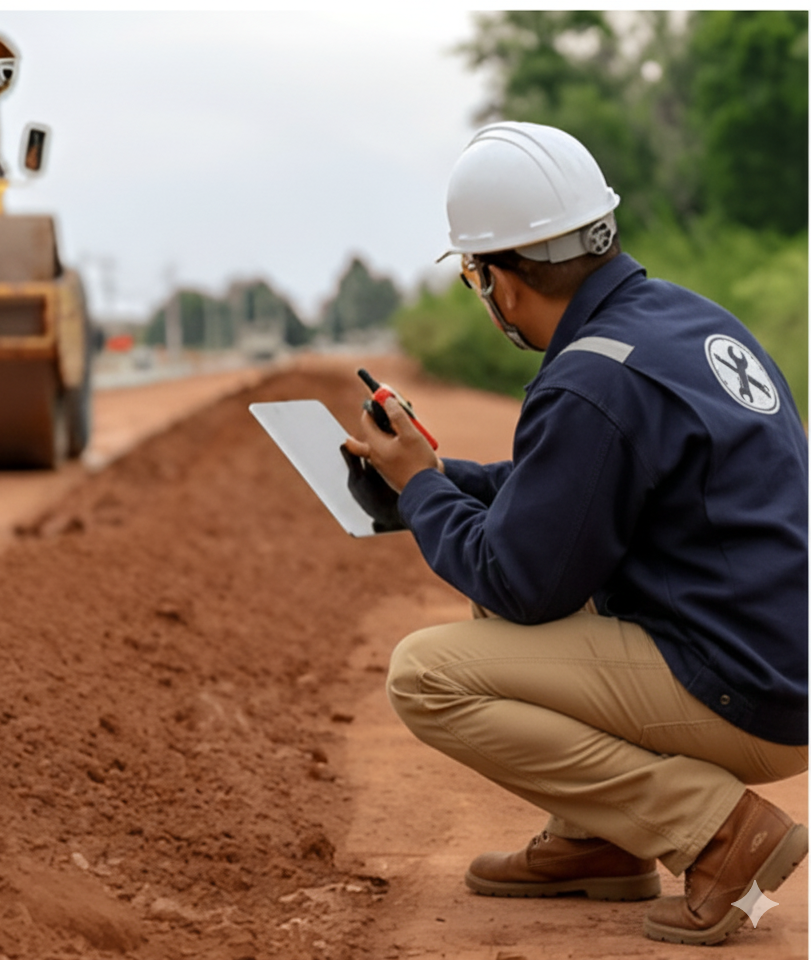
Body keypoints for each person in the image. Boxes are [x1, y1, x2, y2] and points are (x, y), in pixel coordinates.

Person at [344, 121, 808, 946]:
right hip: (776, 653)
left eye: (472, 278)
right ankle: (596, 841)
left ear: (502, 283)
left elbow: (519, 579)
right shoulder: (689, 324)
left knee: (425, 675)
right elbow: (566, 499)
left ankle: (717, 831)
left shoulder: (590, 377)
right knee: (518, 579)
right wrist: (436, 474)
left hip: (749, 691)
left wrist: (416, 487)